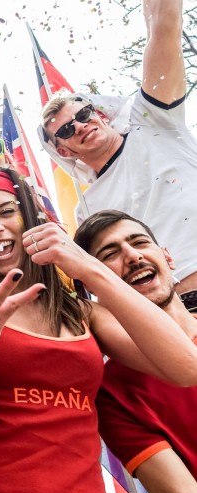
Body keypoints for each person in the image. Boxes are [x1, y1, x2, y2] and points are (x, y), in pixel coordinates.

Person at [0, 168, 197, 493]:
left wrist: (89, 267)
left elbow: (188, 368)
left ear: (30, 219)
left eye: (7, 211)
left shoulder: (81, 313)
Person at [39, 0, 197, 310]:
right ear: (63, 150)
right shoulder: (87, 210)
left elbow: (164, 25)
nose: (81, 126)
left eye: (83, 114)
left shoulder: (153, 119)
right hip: (173, 313)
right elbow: (106, 282)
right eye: (67, 131)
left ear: (100, 112)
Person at [74, 210, 197, 493]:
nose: (132, 256)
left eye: (139, 242)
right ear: (94, 285)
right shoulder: (111, 393)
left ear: (167, 256)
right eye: (109, 254)